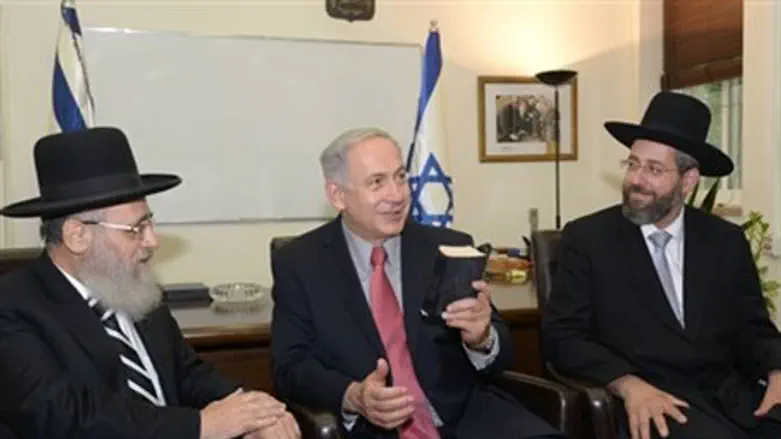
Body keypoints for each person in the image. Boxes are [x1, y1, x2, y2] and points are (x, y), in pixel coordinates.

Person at [0, 127, 300, 439]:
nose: (152, 241)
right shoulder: (13, 308)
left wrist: (253, 411)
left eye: (149, 223)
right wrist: (201, 425)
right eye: (136, 229)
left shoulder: (135, 292)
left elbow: (188, 374)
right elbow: (66, 416)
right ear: (78, 236)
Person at [270, 127, 561, 439]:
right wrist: (353, 395)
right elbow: (291, 366)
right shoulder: (301, 262)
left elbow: (502, 355)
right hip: (374, 429)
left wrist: (482, 338)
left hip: (465, 418)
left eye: (400, 177)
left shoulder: (448, 247)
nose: (397, 195)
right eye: (377, 182)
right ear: (337, 195)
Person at [543, 91, 781, 439]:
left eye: (654, 169)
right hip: (652, 402)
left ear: (688, 180)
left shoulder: (725, 240)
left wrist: (776, 370)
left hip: (728, 398)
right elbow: (562, 338)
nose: (636, 180)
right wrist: (627, 384)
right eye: (633, 164)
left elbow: (753, 327)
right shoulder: (588, 239)